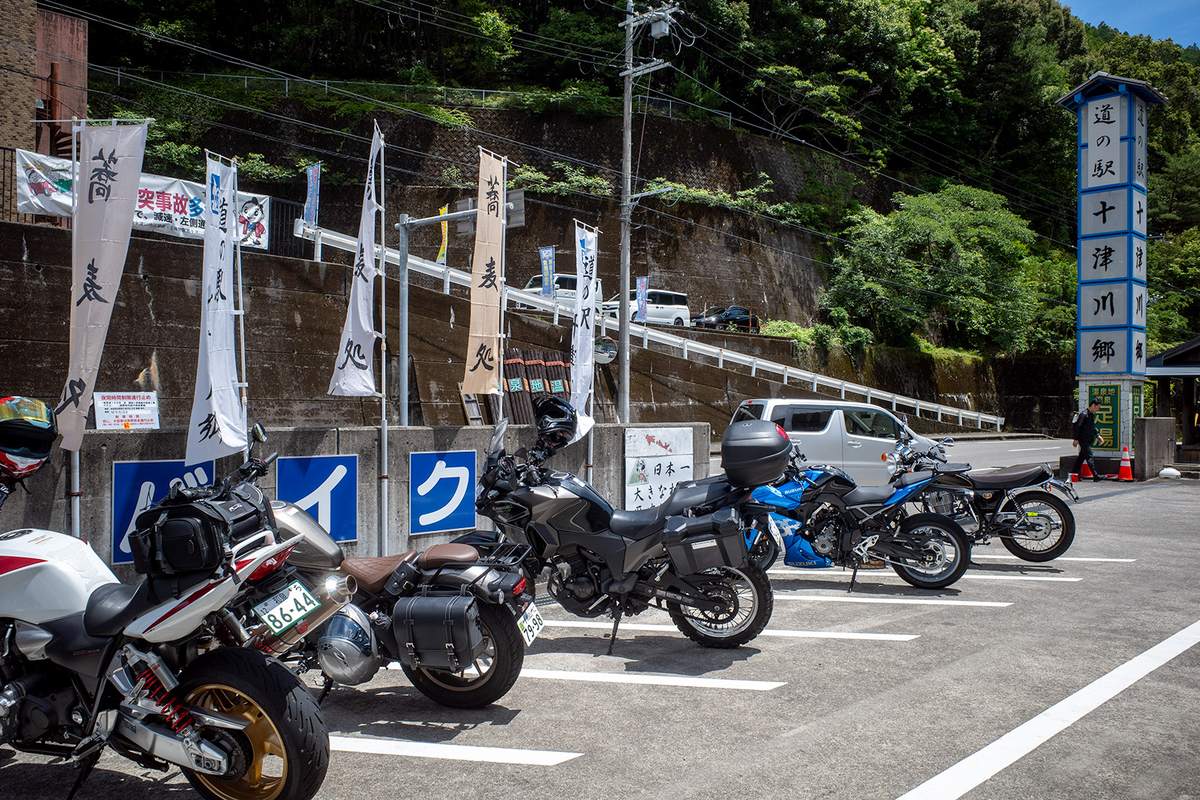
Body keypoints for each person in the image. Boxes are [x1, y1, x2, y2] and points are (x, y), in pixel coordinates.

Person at [1072, 399, 1103, 481]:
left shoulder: (1091, 415)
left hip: (1088, 440)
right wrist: (1076, 439)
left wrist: (1097, 435)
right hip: (1083, 439)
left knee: (1081, 458)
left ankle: (1073, 473)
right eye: (1097, 407)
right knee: (1090, 457)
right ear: (1093, 405)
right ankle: (1096, 476)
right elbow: (1077, 427)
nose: (1098, 410)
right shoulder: (1083, 414)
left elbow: (1092, 427)